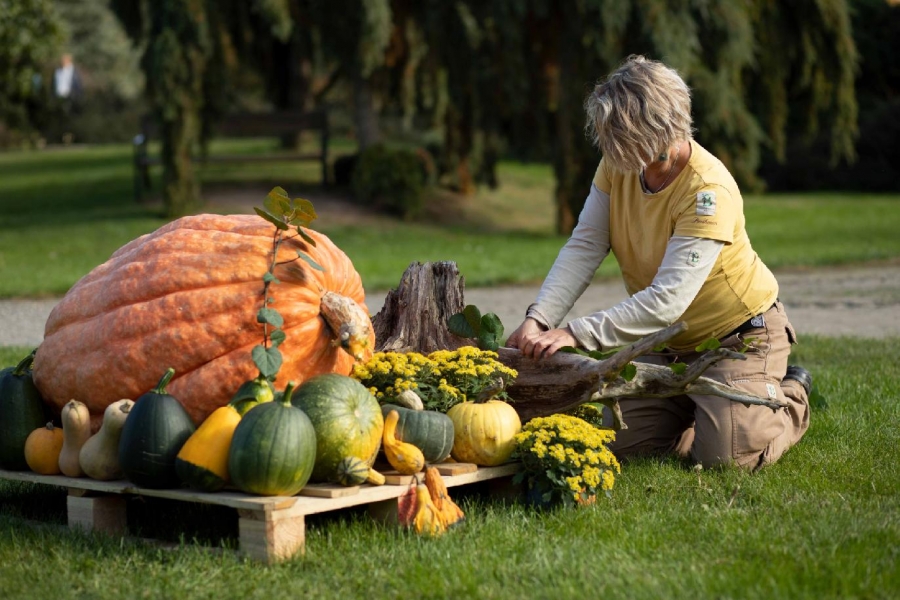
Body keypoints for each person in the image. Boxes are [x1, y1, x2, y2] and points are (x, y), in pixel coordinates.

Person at [506, 55, 811, 471]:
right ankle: (703, 409)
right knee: (613, 442)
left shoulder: (708, 191)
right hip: (666, 346)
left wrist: (576, 333)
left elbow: (667, 301)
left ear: (664, 130)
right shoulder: (620, 162)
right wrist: (539, 319)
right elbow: (585, 245)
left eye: (627, 141)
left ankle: (790, 395)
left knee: (725, 459)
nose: (619, 154)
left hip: (736, 340)